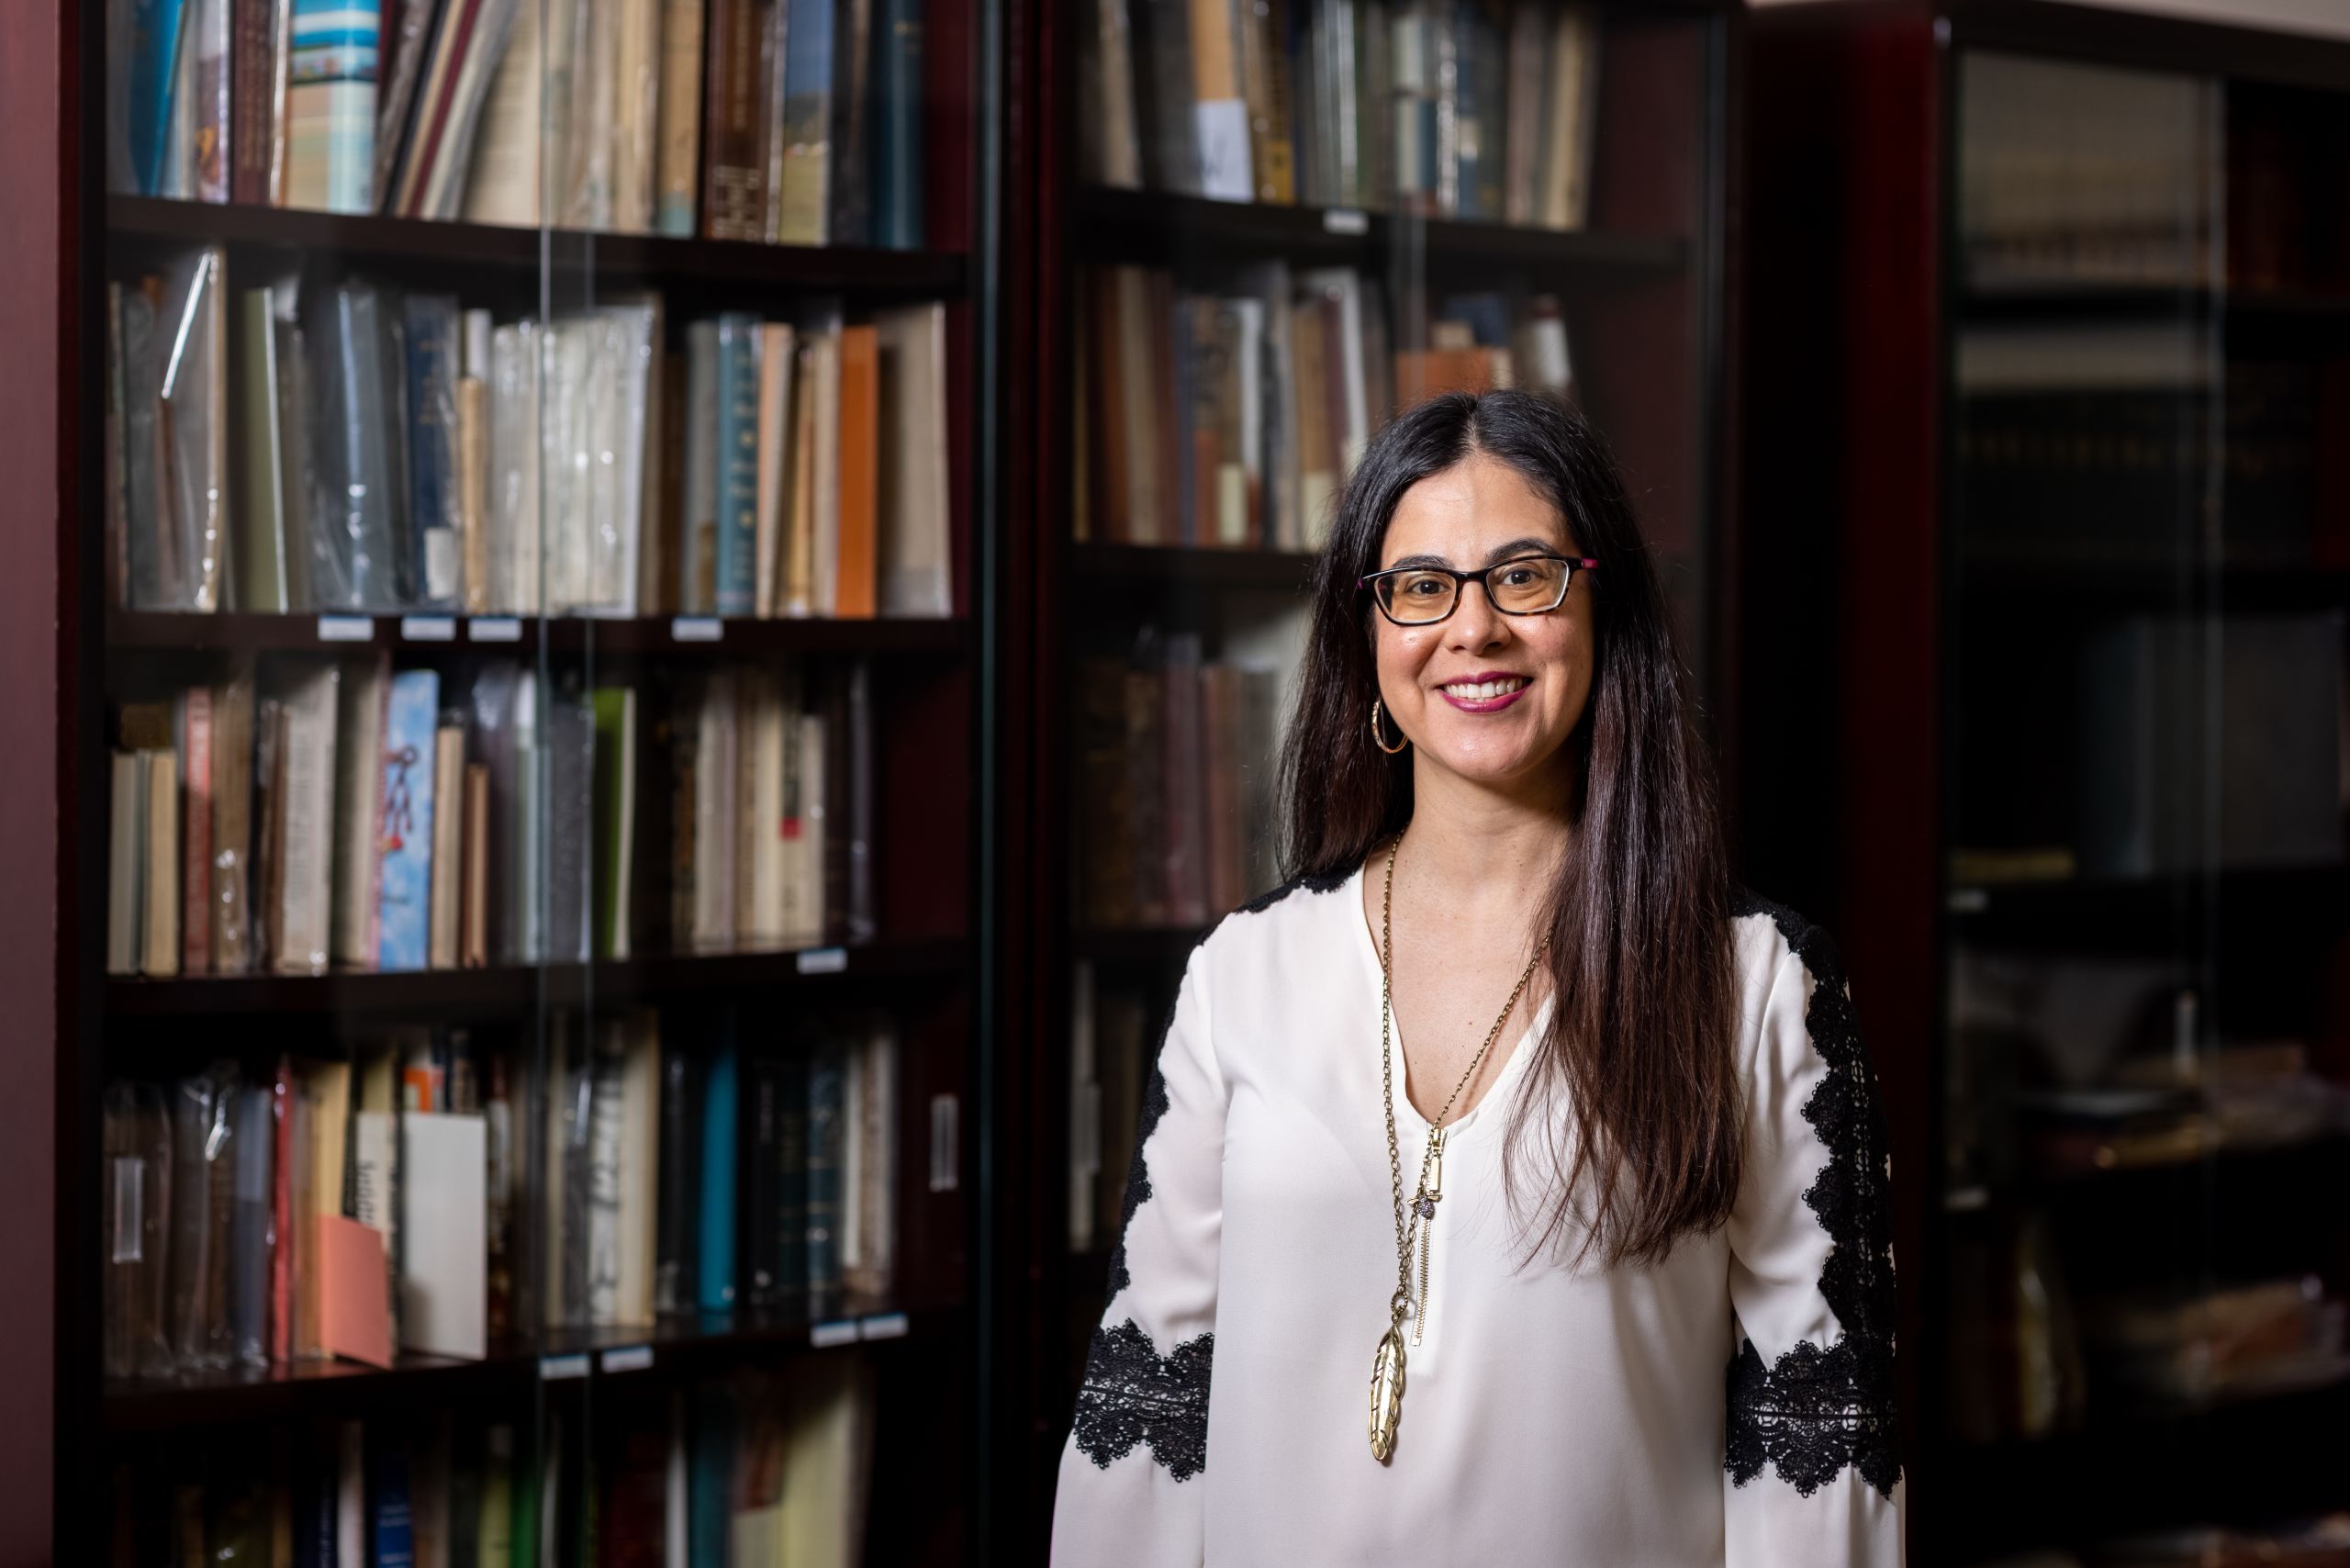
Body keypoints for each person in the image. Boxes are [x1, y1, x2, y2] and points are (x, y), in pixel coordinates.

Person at [1048, 388, 1905, 1565]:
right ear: (1369, 632)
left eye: (1524, 576)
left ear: (1604, 607)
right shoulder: (1241, 974)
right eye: (1420, 586)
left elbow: (1817, 1446)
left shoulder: (1759, 984)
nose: (1473, 629)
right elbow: (1141, 1425)